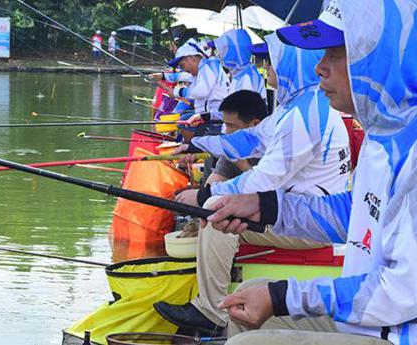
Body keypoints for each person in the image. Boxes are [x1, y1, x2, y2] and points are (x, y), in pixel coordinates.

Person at [202, 1, 417, 344]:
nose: (319, 68)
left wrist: (281, 297)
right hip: (370, 320)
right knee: (245, 300)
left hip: (398, 331)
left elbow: (402, 290)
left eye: (335, 53)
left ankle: (206, 309)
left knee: (247, 341)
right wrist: (264, 206)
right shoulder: (384, 134)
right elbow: (354, 213)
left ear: (379, 54)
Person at [155, 31, 351, 337]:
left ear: (290, 65)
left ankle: (210, 310)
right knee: (217, 206)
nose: (268, 70)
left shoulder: (304, 114)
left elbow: (264, 177)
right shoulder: (300, 104)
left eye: (272, 64)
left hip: (310, 223)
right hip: (296, 208)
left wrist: (207, 193)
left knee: (214, 211)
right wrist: (200, 146)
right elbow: (251, 140)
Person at [150, 41, 229, 141]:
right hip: (208, 114)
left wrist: (177, 92)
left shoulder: (208, 66)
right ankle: (189, 145)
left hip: (216, 116)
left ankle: (191, 147)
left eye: (182, 66)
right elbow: (183, 76)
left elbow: (200, 92)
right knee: (185, 116)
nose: (183, 69)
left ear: (192, 58)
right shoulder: (201, 69)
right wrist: (163, 76)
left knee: (185, 121)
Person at [214, 29, 266, 100]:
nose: (220, 55)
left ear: (234, 52)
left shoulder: (246, 77)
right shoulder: (243, 73)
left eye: (224, 51)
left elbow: (241, 109)